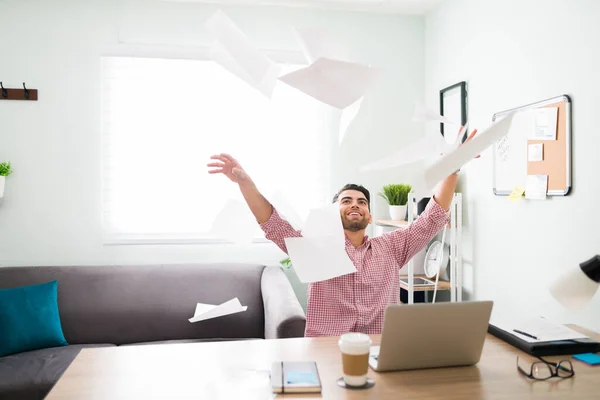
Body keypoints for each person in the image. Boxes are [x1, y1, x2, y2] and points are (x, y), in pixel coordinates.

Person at [207, 128, 477, 337]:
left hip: (379, 348)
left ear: (370, 216)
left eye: (361, 202)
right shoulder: (313, 248)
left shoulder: (392, 247)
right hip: (326, 348)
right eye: (346, 201)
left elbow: (430, 219)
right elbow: (272, 223)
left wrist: (452, 168)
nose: (354, 205)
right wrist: (246, 183)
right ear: (333, 212)